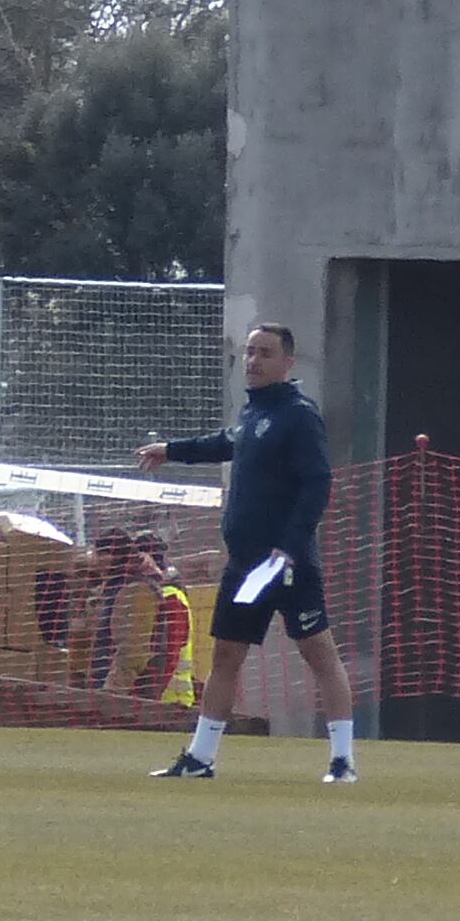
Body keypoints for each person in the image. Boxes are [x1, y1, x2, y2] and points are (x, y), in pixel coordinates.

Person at [140, 320, 359, 784]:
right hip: (245, 567)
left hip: (287, 565)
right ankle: (201, 759)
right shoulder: (254, 413)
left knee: (320, 655)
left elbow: (318, 482)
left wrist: (291, 546)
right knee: (225, 658)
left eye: (265, 353)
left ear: (288, 362)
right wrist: (171, 449)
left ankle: (343, 762)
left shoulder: (299, 414)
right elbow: (225, 443)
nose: (254, 361)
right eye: (250, 352)